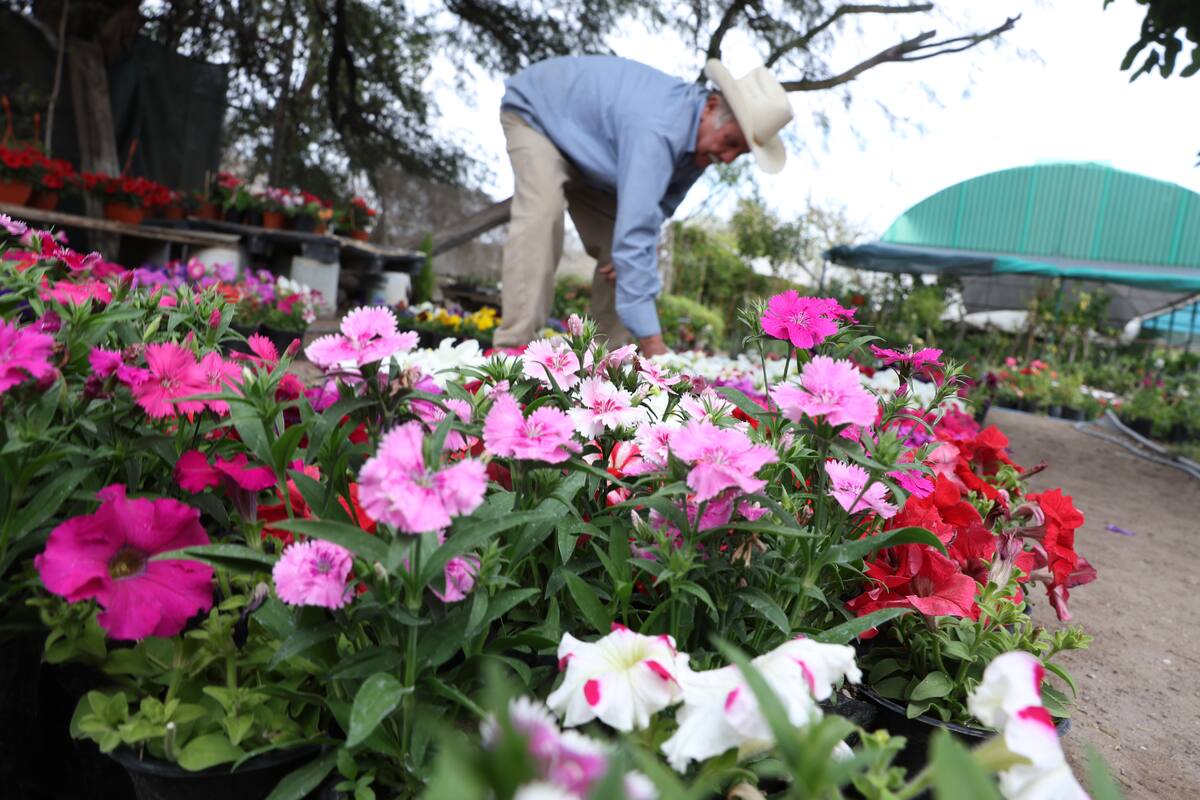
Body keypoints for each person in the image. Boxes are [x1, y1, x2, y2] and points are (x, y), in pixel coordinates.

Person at [492, 55, 793, 354]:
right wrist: (654, 345)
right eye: (729, 142)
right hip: (540, 116)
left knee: (624, 256)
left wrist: (632, 258)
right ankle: (513, 352)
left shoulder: (701, 147)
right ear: (711, 107)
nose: (727, 158)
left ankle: (600, 365)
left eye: (738, 153)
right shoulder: (659, 129)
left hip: (597, 156)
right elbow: (635, 232)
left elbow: (654, 211)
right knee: (542, 214)